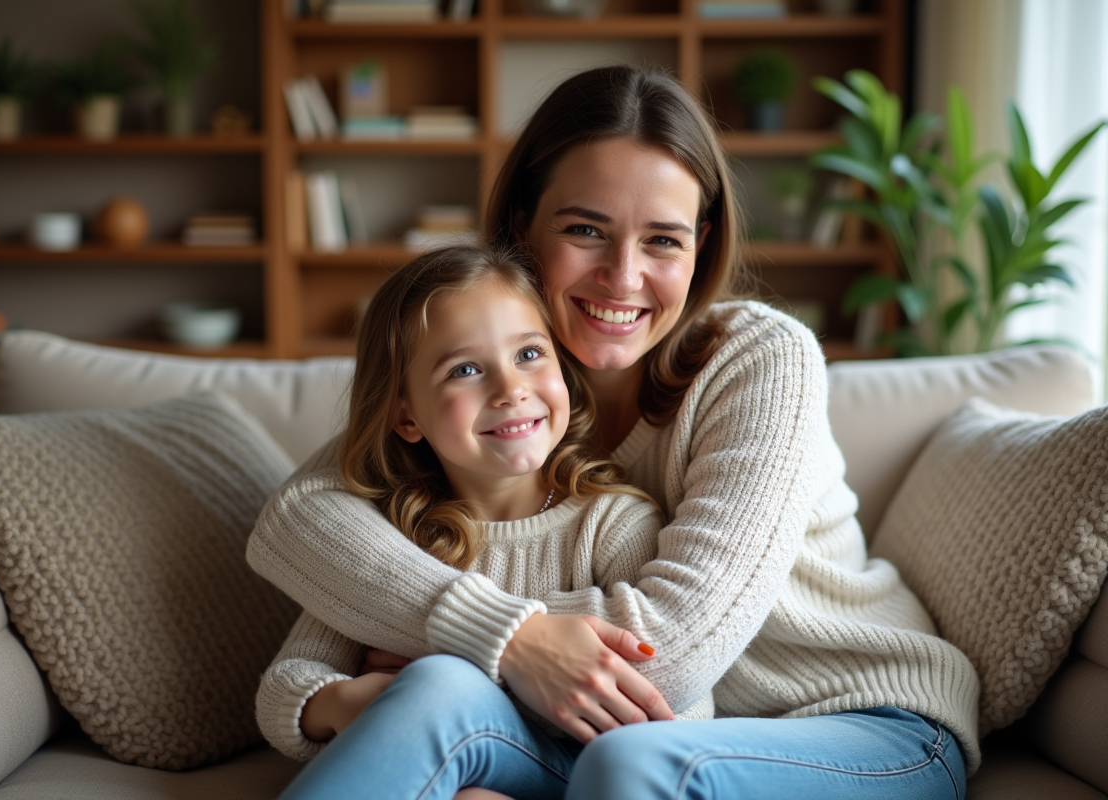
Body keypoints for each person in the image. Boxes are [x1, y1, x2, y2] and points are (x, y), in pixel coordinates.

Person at [248, 65, 979, 800]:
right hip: (608, 736)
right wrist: (492, 644)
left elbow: (671, 654)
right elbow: (300, 518)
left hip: (866, 723)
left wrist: (475, 632)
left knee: (624, 763)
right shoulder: (514, 382)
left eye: (662, 240)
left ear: (700, 247)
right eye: (586, 229)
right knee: (444, 694)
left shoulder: (761, 359)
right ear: (519, 231)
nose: (623, 278)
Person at [256, 245, 683, 799]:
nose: (511, 390)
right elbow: (285, 686)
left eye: (530, 354)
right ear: (406, 415)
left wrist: (456, 658)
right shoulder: (396, 540)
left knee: (441, 682)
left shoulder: (613, 523)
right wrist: (348, 701)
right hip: (463, 776)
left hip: (588, 776)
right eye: (465, 369)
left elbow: (675, 696)